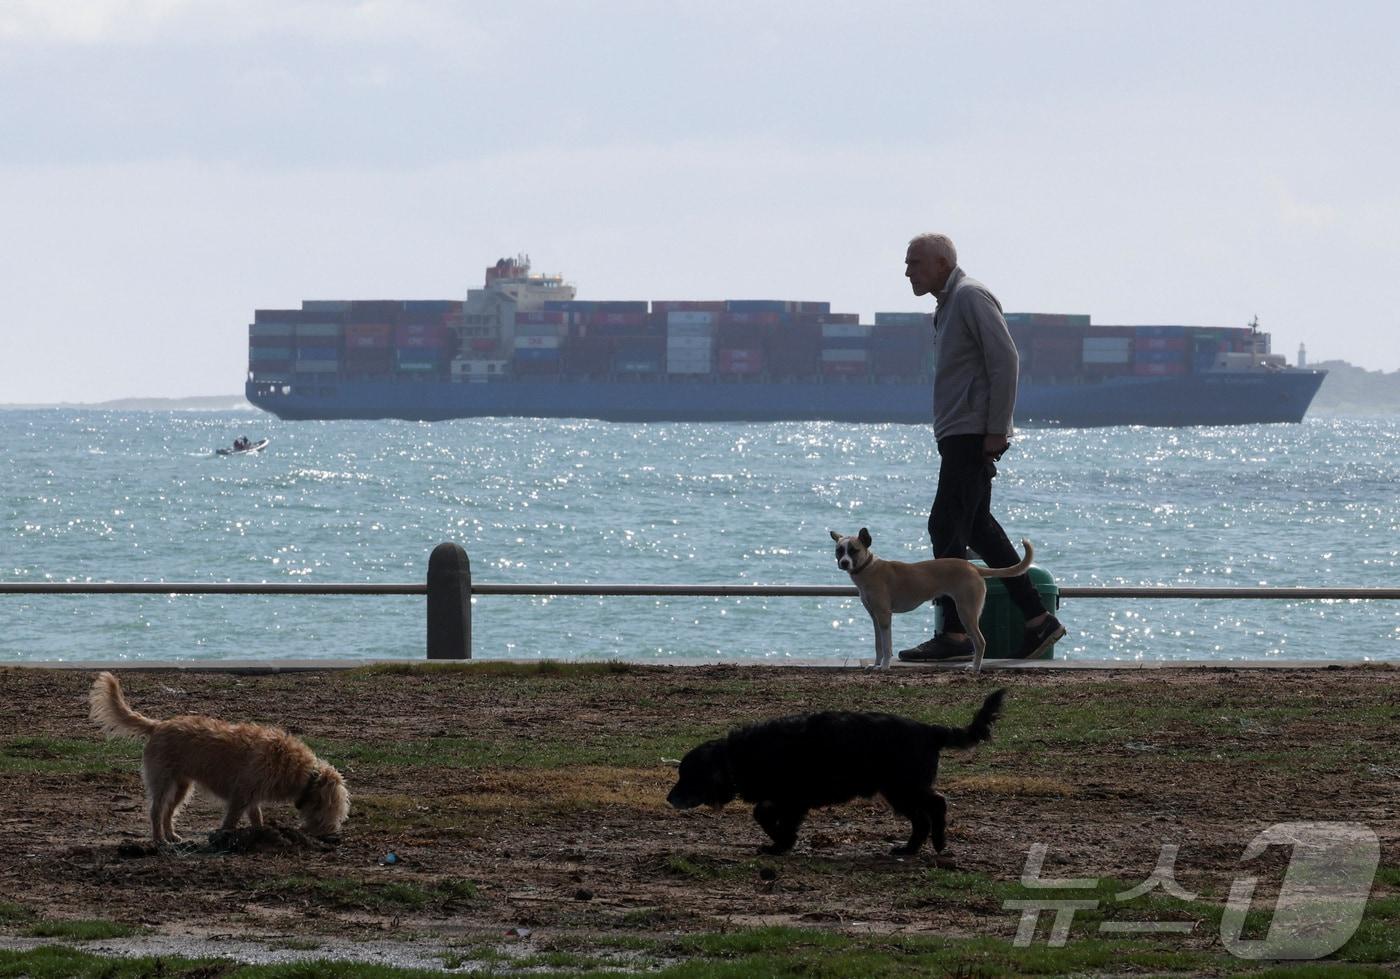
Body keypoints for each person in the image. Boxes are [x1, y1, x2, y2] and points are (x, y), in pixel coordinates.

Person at [898, 233, 1066, 661]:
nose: (907, 272)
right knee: (976, 528)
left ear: (941, 263)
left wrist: (996, 429)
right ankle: (1038, 619)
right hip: (959, 430)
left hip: (973, 432)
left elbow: (1006, 359)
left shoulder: (971, 296)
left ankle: (954, 635)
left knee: (944, 526)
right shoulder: (946, 305)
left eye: (914, 263)